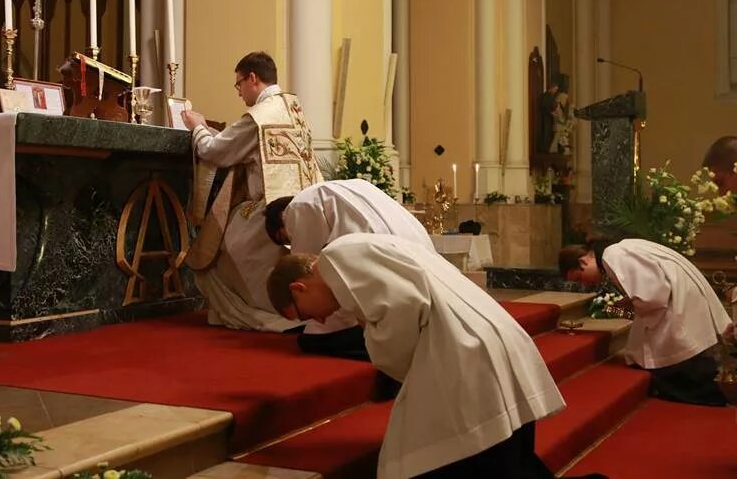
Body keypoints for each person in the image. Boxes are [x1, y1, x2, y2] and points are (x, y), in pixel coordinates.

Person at [266, 234, 602, 479]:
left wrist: (374, 340)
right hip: (484, 339)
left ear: (299, 288)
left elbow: (404, 307)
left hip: (467, 350)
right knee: (505, 460)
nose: (320, 321)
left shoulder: (339, 260)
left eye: (305, 315)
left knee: (450, 458)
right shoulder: (351, 256)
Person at [180, 51, 323, 332]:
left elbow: (215, 151)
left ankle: (263, 313)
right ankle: (291, 309)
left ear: (252, 78)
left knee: (216, 251)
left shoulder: (259, 116)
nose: (239, 92)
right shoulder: (292, 107)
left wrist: (197, 127)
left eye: (238, 85)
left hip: (269, 212)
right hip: (303, 207)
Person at [264, 178, 435, 360]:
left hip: (394, 281)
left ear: (283, 216)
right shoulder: (356, 185)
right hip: (423, 260)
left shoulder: (300, 207)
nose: (292, 242)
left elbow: (307, 270)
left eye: (287, 238)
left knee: (312, 341)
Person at [559, 238, 732, 406]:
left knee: (673, 357)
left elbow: (653, 297)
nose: (584, 284)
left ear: (583, 261)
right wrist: (632, 301)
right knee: (643, 344)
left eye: (579, 278)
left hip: (676, 301)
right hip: (680, 296)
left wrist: (631, 303)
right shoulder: (618, 251)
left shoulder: (613, 255)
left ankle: (703, 392)